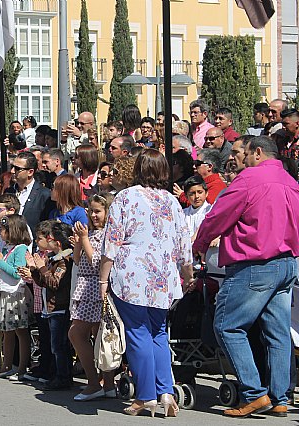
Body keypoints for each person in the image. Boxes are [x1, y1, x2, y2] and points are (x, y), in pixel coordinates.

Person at [194, 136, 299, 417]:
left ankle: (254, 393)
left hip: (255, 262)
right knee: (277, 332)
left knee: (228, 325)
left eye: (244, 153)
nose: (240, 159)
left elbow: (217, 216)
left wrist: (200, 244)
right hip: (286, 262)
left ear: (257, 152)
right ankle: (280, 396)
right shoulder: (290, 181)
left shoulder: (250, 179)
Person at [99, 149, 193, 417]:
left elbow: (111, 242)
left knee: (138, 332)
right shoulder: (172, 201)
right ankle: (165, 391)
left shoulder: (125, 198)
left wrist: (103, 278)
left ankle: (146, 396)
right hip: (162, 275)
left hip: (133, 275)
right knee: (159, 333)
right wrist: (187, 274)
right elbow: (184, 243)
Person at [69, 194, 116, 401]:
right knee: (97, 338)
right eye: (90, 210)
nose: (93, 214)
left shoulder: (107, 233)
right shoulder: (92, 232)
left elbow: (97, 261)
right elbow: (78, 259)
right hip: (85, 285)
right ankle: (107, 384)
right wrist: (79, 241)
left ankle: (94, 383)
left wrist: (85, 239)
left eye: (97, 211)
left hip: (96, 287)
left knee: (77, 334)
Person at [24, 221, 74, 390]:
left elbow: (54, 283)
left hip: (59, 307)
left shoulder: (64, 261)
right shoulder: (54, 259)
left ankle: (63, 376)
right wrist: (34, 269)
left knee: (59, 345)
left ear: (57, 243)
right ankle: (59, 374)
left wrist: (43, 268)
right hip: (50, 306)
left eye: (50, 238)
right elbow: (44, 283)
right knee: (56, 344)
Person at [0, 214, 32, 379]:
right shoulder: (8, 248)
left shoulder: (20, 249)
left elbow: (16, 273)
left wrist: (0, 261)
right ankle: (6, 365)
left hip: (15, 295)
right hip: (5, 292)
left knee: (20, 331)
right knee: (7, 331)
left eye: (3, 230)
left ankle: (21, 368)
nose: (0, 234)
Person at [6, 151, 52, 232]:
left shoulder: (44, 195)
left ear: (30, 172)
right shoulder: (8, 192)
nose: (12, 171)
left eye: (17, 169)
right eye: (12, 167)